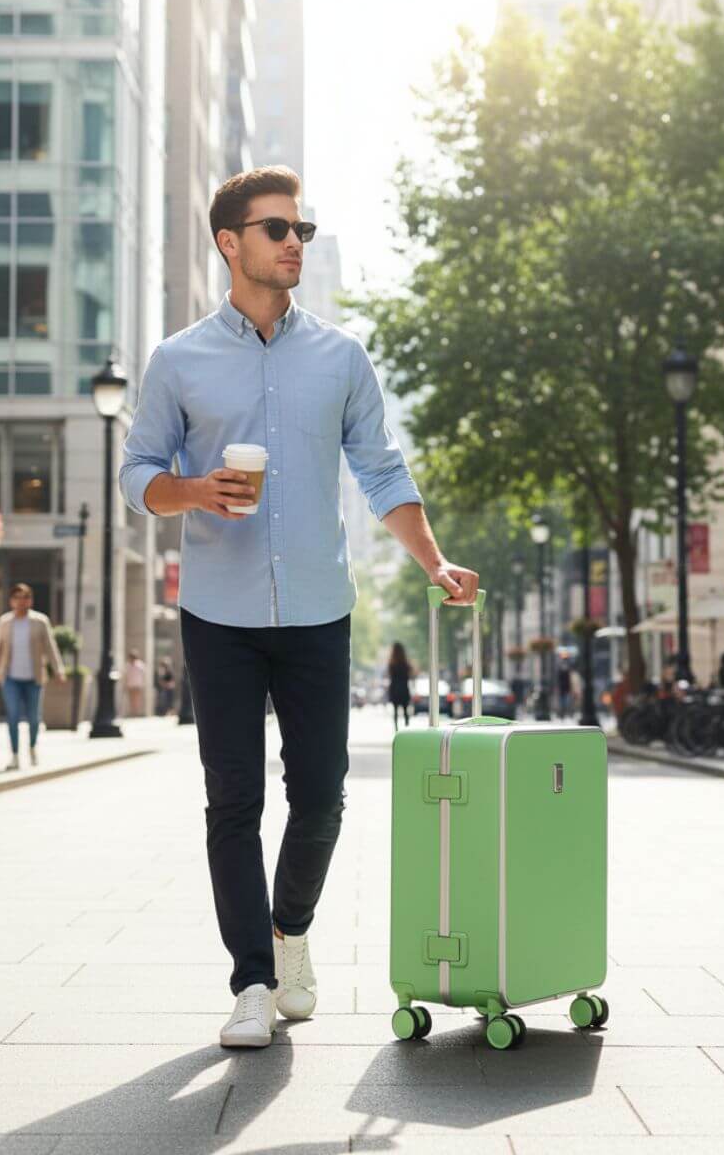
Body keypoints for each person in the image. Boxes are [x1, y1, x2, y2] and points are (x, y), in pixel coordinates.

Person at [119, 165, 479, 1049]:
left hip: (318, 607)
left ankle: (289, 934)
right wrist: (196, 490)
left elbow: (383, 469)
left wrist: (433, 560)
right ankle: (249, 982)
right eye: (275, 227)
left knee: (320, 797)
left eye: (302, 230)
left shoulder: (341, 357)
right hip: (220, 612)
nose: (293, 242)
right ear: (229, 242)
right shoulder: (179, 359)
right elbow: (136, 477)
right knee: (232, 800)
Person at [0, 583, 65, 771]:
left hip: (34, 677)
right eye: (17, 597)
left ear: (30, 600)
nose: (21, 601)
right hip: (9, 677)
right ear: (11, 601)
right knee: (13, 715)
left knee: (33, 718)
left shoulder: (40, 621)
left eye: (25, 597)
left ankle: (32, 747)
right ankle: (15, 755)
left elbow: (50, 647)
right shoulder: (4, 622)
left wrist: (58, 669)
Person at [386, 642, 414, 731]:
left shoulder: (392, 664)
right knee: (406, 711)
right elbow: (411, 674)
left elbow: (390, 675)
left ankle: (396, 729)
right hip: (404, 689)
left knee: (395, 711)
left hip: (394, 690)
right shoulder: (405, 663)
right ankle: (407, 728)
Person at [124, 650, 147, 716]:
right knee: (131, 699)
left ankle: (136, 712)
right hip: (130, 685)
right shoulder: (128, 665)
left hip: (137, 685)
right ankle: (133, 712)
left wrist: (143, 684)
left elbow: (143, 675)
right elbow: (126, 675)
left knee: (137, 699)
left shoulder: (140, 665)